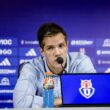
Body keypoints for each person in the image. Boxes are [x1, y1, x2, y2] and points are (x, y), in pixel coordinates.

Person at [13, 22, 96, 108]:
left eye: (61, 46)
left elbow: (95, 95)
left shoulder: (80, 62)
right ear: (42, 50)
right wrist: (62, 100)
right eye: (50, 48)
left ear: (67, 45)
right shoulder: (31, 68)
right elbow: (20, 104)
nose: (57, 53)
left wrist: (45, 103)